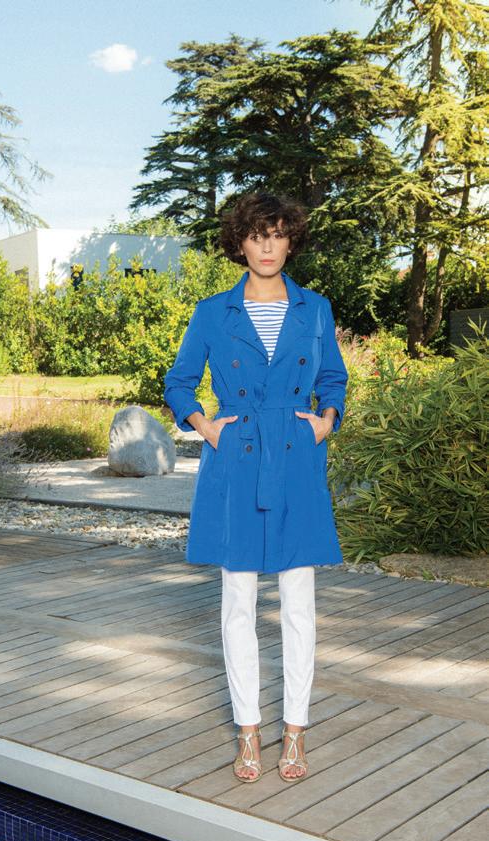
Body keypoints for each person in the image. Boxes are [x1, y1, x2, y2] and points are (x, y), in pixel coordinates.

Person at [163, 192, 349, 783]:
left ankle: (295, 732)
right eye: (256, 235)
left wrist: (326, 421)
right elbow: (179, 382)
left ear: (291, 242)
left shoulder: (315, 309)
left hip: (295, 455)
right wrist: (206, 427)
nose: (267, 246)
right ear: (239, 243)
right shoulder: (211, 312)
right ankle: (248, 732)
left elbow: (333, 377)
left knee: (300, 606)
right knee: (237, 603)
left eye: (278, 234)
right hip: (236, 457)